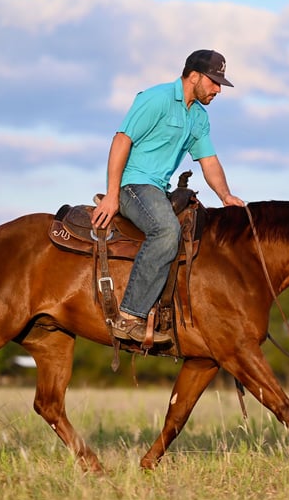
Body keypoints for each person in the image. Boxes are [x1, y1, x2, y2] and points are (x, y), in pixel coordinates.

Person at [91, 49, 245, 344]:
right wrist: (112, 194)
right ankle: (129, 316)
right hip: (133, 186)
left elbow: (209, 160)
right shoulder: (156, 99)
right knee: (166, 231)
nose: (217, 90)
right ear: (194, 77)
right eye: (214, 82)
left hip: (158, 190)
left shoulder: (199, 116)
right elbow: (121, 140)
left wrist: (226, 195)